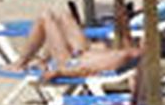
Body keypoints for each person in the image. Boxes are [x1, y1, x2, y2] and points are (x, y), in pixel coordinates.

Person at [8, 7, 143, 83]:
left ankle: (20, 63)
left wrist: (59, 72)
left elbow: (86, 71)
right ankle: (43, 60)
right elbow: (125, 47)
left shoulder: (128, 58)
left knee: (45, 17)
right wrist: (124, 24)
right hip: (83, 52)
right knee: (64, 15)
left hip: (70, 63)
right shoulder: (133, 54)